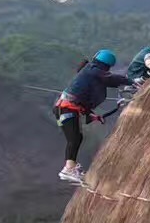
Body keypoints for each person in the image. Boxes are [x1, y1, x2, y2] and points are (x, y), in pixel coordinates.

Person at [53, 50, 131, 185]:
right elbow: (111, 79)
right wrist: (131, 81)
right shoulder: (93, 71)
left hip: (65, 108)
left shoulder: (91, 72)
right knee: (75, 138)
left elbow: (87, 99)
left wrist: (91, 115)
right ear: (106, 66)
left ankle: (70, 168)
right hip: (66, 108)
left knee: (76, 137)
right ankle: (68, 169)